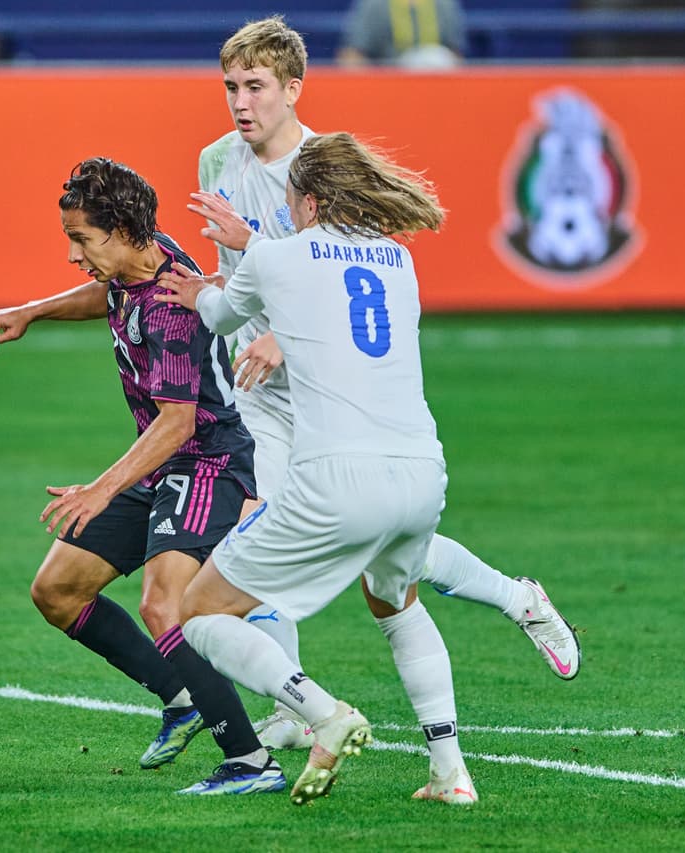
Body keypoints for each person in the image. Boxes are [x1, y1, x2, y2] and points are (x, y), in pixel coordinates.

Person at [190, 16, 581, 769]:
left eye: (256, 86)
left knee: (374, 565)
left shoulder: (324, 168)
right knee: (258, 530)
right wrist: (239, 310)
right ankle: (294, 707)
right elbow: (240, 273)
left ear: (293, 88)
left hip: (330, 393)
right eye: (231, 86)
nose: (240, 102)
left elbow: (347, 277)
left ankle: (513, 596)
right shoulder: (217, 160)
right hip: (262, 399)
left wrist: (284, 330)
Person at [160, 131, 473, 805]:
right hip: (423, 471)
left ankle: (320, 711)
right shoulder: (397, 258)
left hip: (336, 478)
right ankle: (451, 771)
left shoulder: (277, 255)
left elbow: (217, 317)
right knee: (396, 602)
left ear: (304, 200)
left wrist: (200, 291)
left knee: (202, 610)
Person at [0, 158, 284, 796]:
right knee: (58, 590)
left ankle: (251, 762)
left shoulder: (174, 300)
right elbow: (110, 292)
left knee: (163, 603)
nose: (73, 254)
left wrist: (102, 487)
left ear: (120, 230)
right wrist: (32, 311)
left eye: (82, 239)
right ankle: (181, 695)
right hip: (162, 458)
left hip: (206, 460)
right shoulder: (137, 260)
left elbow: (177, 422)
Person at [337, 0, 467, 69]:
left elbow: (456, 55)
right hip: (387, 88)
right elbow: (351, 55)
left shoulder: (445, 4)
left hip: (436, 89)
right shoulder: (374, 4)